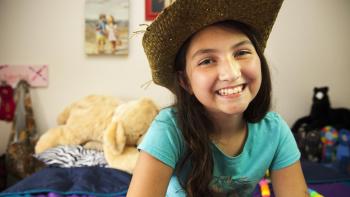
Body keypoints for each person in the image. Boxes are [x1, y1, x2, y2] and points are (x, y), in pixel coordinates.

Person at [128, 0, 308, 196]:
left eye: (241, 53)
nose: (231, 73)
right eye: (207, 61)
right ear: (185, 81)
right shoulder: (169, 129)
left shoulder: (276, 131)